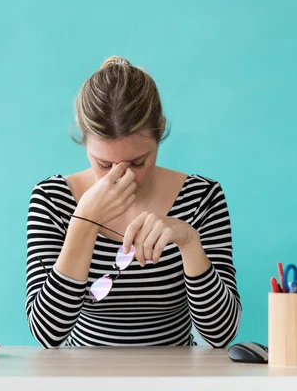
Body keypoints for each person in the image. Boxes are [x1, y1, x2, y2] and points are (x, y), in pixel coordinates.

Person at [25, 56, 241, 348]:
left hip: (175, 379)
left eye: (138, 162)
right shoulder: (53, 199)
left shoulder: (201, 198)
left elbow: (221, 334)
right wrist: (83, 224)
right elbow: (48, 334)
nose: (122, 177)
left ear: (160, 129)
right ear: (83, 138)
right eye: (103, 164)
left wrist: (189, 241)